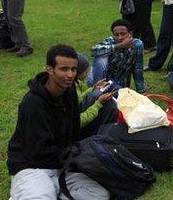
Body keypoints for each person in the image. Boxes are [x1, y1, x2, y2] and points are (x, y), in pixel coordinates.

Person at [7, 45, 110, 199]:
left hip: (63, 165)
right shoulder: (33, 103)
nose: (70, 75)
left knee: (100, 193)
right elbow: (37, 150)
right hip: (33, 166)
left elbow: (74, 130)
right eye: (64, 69)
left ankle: (56, 191)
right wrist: (72, 155)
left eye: (73, 69)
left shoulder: (69, 94)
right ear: (49, 69)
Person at [88, 19, 146, 94]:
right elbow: (93, 51)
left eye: (123, 34)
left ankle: (104, 93)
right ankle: (98, 92)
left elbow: (138, 69)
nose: (119, 37)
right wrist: (118, 46)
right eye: (116, 35)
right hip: (102, 79)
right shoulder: (110, 41)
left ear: (130, 34)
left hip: (120, 84)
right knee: (100, 56)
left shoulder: (137, 45)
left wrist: (141, 91)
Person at [76, 54, 118, 138]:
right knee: (102, 99)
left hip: (77, 118)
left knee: (98, 94)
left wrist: (93, 88)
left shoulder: (74, 84)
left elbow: (78, 99)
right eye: (85, 72)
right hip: (75, 130)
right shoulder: (66, 89)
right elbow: (78, 122)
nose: (87, 75)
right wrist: (98, 104)